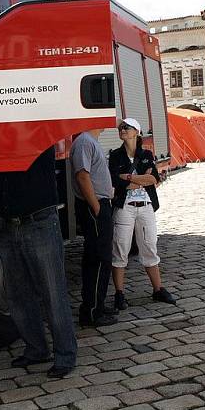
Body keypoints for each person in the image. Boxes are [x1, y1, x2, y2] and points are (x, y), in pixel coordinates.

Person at [0, 146, 78, 379]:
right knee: (18, 295)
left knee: (53, 293)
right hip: (9, 223)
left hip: (39, 220)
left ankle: (65, 355)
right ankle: (36, 350)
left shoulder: (37, 131)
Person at [108, 118, 174, 310]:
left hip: (145, 206)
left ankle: (158, 289)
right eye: (121, 128)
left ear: (136, 132)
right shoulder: (115, 156)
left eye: (126, 128)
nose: (122, 130)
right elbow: (117, 183)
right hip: (124, 208)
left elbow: (152, 179)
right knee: (120, 249)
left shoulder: (146, 154)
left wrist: (128, 177)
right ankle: (119, 294)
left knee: (149, 246)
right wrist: (139, 180)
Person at [71, 127, 117, 327]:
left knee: (102, 257)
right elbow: (82, 175)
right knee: (98, 258)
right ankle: (91, 311)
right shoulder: (84, 141)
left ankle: (97, 304)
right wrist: (96, 207)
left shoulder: (90, 141)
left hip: (100, 204)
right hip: (94, 207)